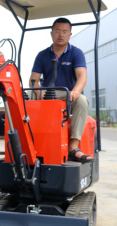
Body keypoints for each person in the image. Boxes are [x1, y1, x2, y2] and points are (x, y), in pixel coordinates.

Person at [29, 17, 93, 163]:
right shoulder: (42, 55)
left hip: (66, 93)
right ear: (51, 33)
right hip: (47, 93)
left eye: (65, 31)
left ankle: (74, 146)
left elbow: (82, 76)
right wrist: (38, 92)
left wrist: (76, 91)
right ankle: (27, 141)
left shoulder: (76, 53)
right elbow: (33, 80)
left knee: (82, 101)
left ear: (70, 34)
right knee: (23, 96)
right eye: (57, 31)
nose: (61, 35)